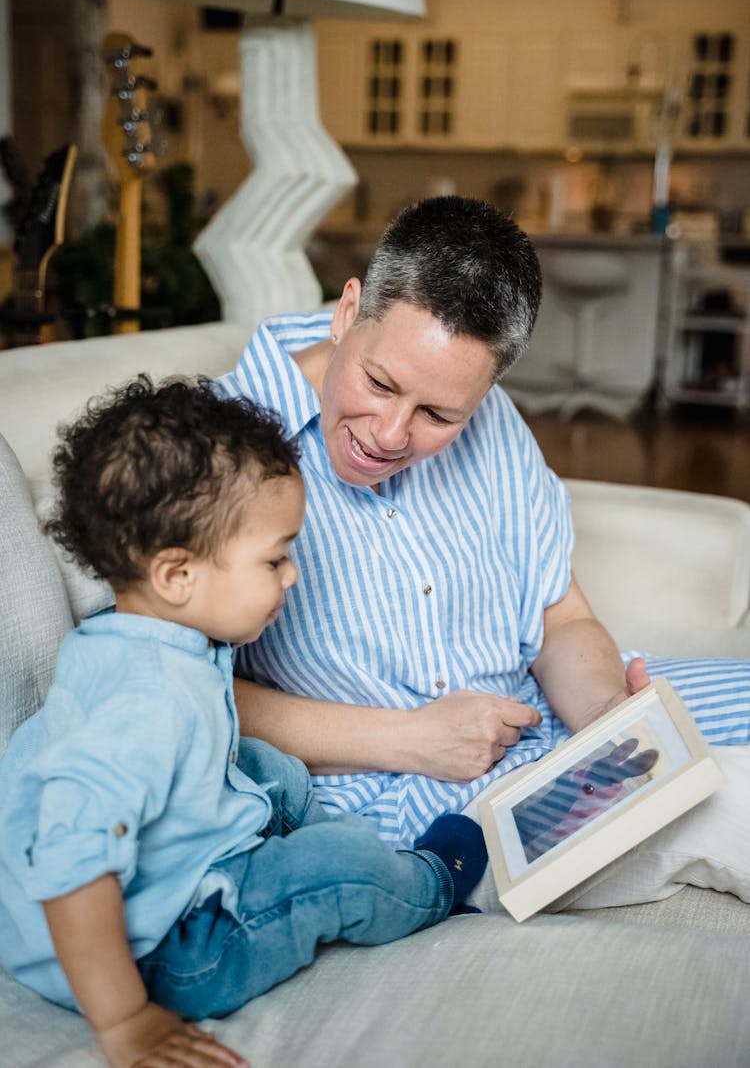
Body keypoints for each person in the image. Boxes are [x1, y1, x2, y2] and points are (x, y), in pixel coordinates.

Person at [217, 195, 750, 903]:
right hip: (405, 788)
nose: (390, 432)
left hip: (544, 719)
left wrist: (603, 719)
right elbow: (188, 688)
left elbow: (560, 618)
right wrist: (411, 739)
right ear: (348, 311)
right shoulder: (215, 441)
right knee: (721, 806)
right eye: (379, 384)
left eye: (438, 414)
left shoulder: (491, 417)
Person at [0, 376, 488, 1068]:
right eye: (275, 558)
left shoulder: (138, 640)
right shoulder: (148, 705)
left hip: (128, 882)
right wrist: (128, 1019)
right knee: (333, 868)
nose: (291, 578)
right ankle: (428, 880)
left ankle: (273, 823)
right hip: (167, 949)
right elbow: (74, 868)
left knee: (262, 764)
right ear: (177, 574)